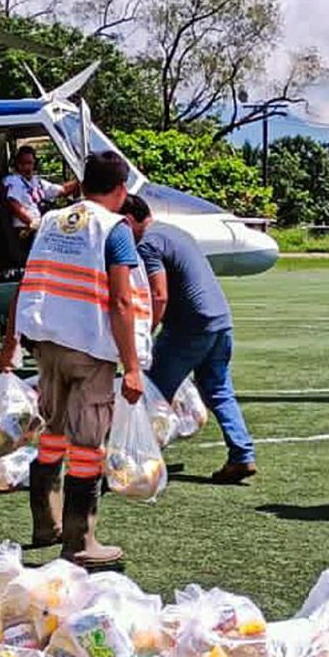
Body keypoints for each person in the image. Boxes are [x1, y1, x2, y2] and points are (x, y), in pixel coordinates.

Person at [13, 151, 151, 565]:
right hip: (89, 344)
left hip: (46, 341)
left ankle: (45, 522)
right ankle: (80, 540)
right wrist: (131, 365)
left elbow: (29, 278)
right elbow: (121, 300)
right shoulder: (114, 229)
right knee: (88, 441)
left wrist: (12, 339)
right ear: (122, 189)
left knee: (54, 429)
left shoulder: (51, 221)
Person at [121, 194, 256, 483]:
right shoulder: (175, 232)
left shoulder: (147, 244)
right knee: (219, 389)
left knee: (151, 390)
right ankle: (242, 455)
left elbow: (159, 294)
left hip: (189, 326)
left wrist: (146, 332)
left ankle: (140, 461)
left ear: (130, 220)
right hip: (220, 320)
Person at [3, 145, 79, 240]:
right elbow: (15, 205)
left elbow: (61, 190)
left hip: (39, 227)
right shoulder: (13, 181)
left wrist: (79, 181)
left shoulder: (36, 182)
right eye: (23, 164)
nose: (27, 167)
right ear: (17, 164)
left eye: (30, 163)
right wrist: (33, 223)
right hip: (25, 230)